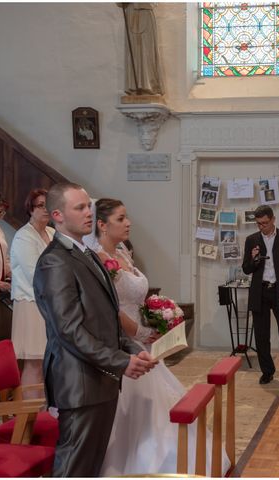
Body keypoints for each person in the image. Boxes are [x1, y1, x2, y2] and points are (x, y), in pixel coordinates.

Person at [86, 198, 230, 476]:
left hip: (142, 340)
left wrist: (158, 316)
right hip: (123, 342)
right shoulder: (100, 260)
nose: (128, 223)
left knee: (162, 406)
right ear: (102, 225)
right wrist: (140, 332)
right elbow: (111, 310)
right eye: (120, 218)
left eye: (126, 217)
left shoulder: (123, 253)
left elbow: (136, 295)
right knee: (137, 413)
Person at [33, 183, 156, 477]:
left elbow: (106, 319)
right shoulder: (54, 261)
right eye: (80, 208)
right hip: (79, 383)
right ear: (57, 215)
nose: (89, 212)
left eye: (88, 206)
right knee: (74, 468)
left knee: (92, 466)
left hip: (101, 380)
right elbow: (70, 330)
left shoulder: (86, 253)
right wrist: (120, 362)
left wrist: (132, 350)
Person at [242, 205, 279, 384]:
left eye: (265, 223)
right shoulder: (251, 240)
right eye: (258, 224)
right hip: (260, 292)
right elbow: (246, 269)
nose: (262, 227)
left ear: (273, 219)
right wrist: (253, 258)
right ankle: (267, 372)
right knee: (261, 335)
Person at [10, 188, 55, 397]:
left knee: (48, 361)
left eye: (48, 205)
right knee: (35, 362)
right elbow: (34, 273)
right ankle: (28, 417)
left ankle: (45, 410)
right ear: (30, 209)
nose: (45, 209)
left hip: (49, 303)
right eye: (40, 205)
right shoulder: (23, 236)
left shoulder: (53, 233)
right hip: (31, 303)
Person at [120, 3, 164, 96]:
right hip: (131, 13)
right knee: (134, 50)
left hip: (145, 12)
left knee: (147, 51)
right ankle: (134, 86)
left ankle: (149, 86)